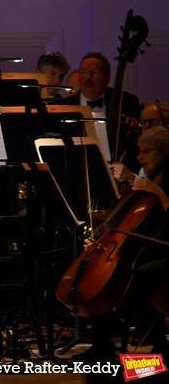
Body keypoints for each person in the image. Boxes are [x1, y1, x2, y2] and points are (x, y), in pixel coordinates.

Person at [73, 126, 169, 363]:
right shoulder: (143, 184)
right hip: (141, 248)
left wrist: (159, 192)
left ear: (164, 153)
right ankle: (102, 342)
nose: (139, 157)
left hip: (162, 249)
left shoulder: (158, 184)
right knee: (92, 269)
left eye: (146, 152)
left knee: (144, 274)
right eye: (139, 151)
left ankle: (160, 344)